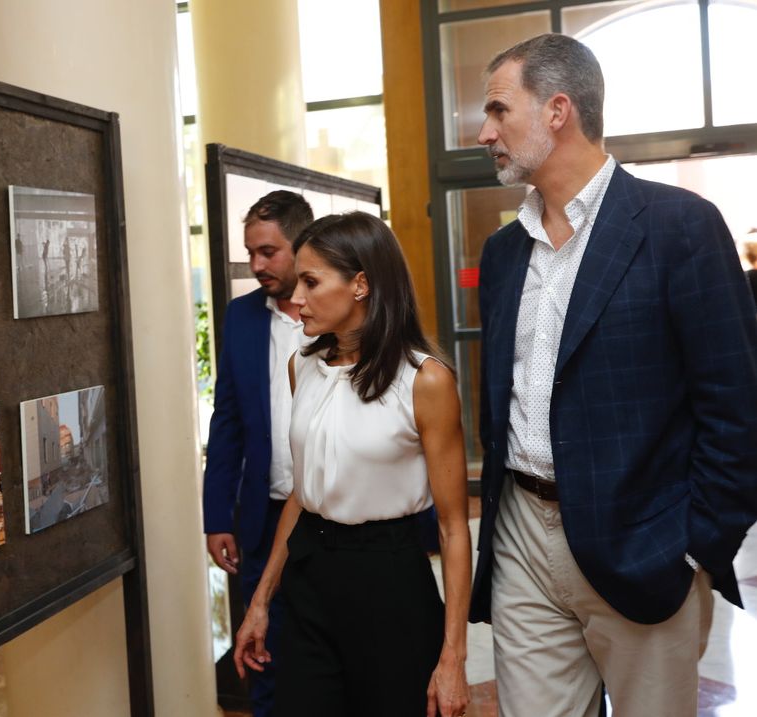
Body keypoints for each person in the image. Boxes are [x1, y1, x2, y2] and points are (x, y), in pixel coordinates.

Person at [472, 33, 757, 717]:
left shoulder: (679, 227)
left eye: (498, 111)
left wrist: (696, 550)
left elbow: (738, 406)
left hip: (645, 542)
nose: (485, 133)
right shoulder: (504, 251)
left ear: (557, 110)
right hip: (520, 536)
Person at [234, 212, 471, 717]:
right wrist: (260, 602)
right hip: (309, 578)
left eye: (311, 281)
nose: (296, 298)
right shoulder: (304, 366)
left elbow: (453, 528)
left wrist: (453, 656)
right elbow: (302, 494)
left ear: (360, 284)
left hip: (389, 583)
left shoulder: (424, 381)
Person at [202, 189, 313, 716]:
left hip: (329, 517)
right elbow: (226, 423)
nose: (257, 265)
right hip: (261, 518)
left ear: (302, 245)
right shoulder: (241, 317)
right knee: (260, 649)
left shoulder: (341, 311)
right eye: (251, 252)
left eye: (269, 251)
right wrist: (218, 516)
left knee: (323, 645)